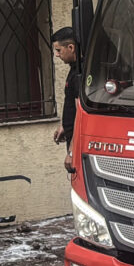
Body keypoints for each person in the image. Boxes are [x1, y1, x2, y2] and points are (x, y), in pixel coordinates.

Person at [51, 27, 79, 173]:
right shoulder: (74, 69)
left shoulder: (80, 73)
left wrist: (72, 152)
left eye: (59, 50)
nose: (56, 55)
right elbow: (71, 105)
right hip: (71, 137)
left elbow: (80, 114)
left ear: (71, 47)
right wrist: (64, 125)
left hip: (78, 145)